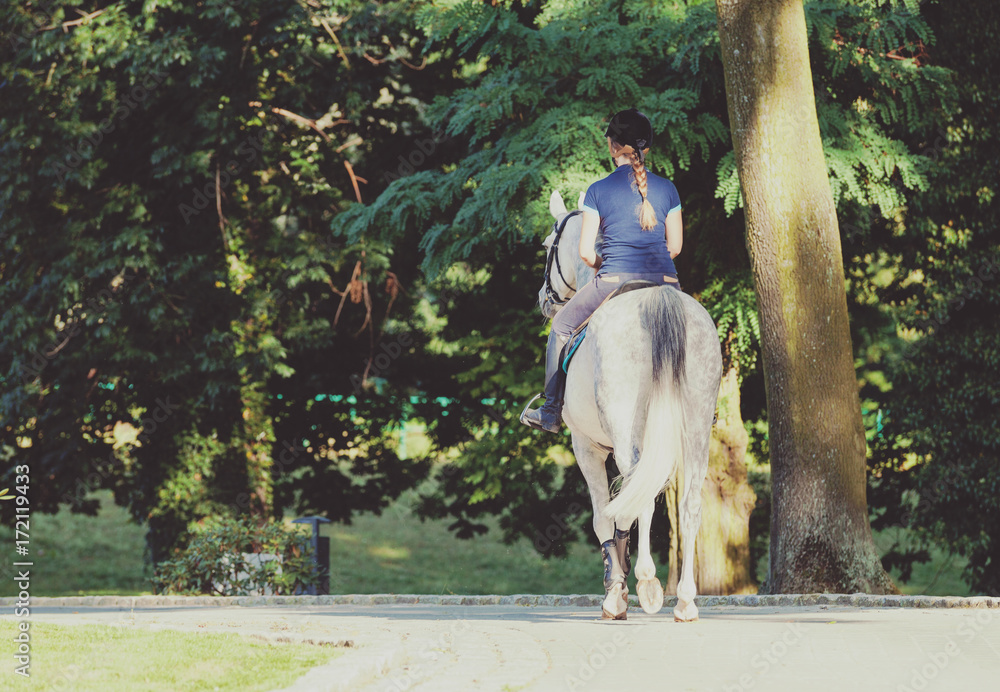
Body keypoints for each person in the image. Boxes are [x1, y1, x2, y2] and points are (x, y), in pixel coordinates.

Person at [521, 108, 684, 433]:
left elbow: (584, 252)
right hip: (667, 281)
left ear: (611, 146)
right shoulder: (668, 189)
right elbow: (675, 248)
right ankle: (700, 409)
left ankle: (551, 412)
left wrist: (604, 266)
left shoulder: (598, 190)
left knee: (562, 326)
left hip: (613, 280)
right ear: (646, 148)